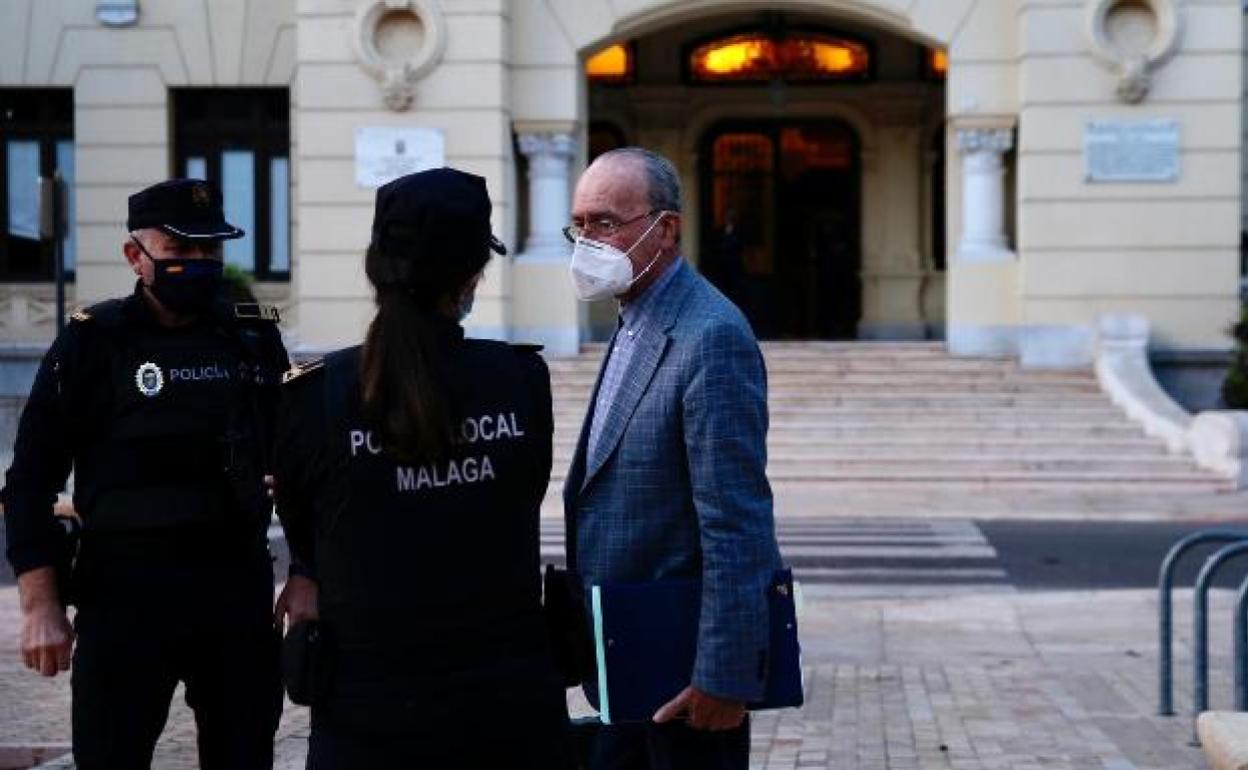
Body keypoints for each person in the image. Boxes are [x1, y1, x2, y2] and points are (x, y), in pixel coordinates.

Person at [273, 168, 572, 769]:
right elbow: (525, 490)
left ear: (375, 268)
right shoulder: (519, 380)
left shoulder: (314, 396)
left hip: (369, 713)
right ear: (473, 276)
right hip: (507, 708)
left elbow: (305, 528)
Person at [3, 179, 290, 769]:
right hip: (124, 595)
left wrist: (307, 572)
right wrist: (40, 604)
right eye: (180, 250)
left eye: (209, 250)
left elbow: (301, 463)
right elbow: (30, 480)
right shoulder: (92, 343)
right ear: (135, 256)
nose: (198, 263)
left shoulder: (251, 338)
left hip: (233, 590)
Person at [562, 147, 783, 770]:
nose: (588, 241)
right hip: (627, 665)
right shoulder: (635, 317)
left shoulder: (710, 336)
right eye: (579, 225)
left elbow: (735, 522)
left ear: (666, 230)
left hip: (685, 682)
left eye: (606, 223)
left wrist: (725, 676)